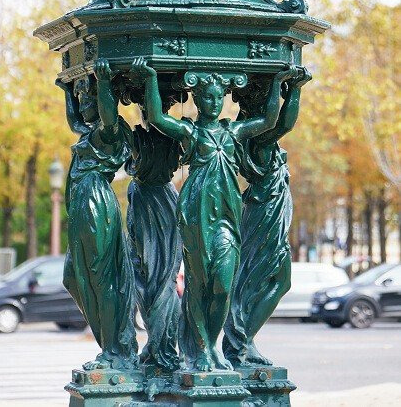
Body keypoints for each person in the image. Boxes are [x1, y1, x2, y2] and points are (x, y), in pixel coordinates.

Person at [131, 57, 296, 372]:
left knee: (223, 282)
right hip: (197, 217)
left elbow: (270, 120)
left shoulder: (234, 131)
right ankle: (203, 348)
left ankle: (211, 342)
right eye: (207, 97)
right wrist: (150, 78)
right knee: (199, 283)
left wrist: (281, 84)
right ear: (197, 99)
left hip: (226, 219)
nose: (213, 102)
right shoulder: (191, 133)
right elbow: (157, 117)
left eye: (218, 97)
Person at [223, 67, 312, 367]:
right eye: (265, 103)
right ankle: (241, 340)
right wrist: (291, 88)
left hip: (271, 214)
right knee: (269, 278)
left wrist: (284, 86)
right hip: (266, 215)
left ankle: (243, 339)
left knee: (274, 280)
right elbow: (284, 122)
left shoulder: (257, 139)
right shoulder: (258, 140)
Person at [56, 59, 138, 371]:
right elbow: (75, 121)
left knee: (102, 278)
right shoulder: (88, 134)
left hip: (94, 203)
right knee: (73, 278)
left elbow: (107, 116)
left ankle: (114, 348)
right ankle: (110, 341)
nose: (82, 105)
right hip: (81, 204)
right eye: (82, 100)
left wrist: (103, 84)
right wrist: (67, 92)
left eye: (88, 101)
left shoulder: (109, 133)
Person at [126, 115, 182, 371]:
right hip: (143, 201)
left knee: (164, 280)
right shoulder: (136, 137)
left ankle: (164, 347)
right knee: (144, 277)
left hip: (163, 202)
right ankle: (157, 345)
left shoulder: (172, 136)